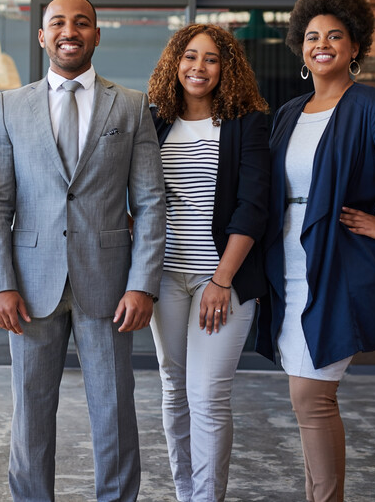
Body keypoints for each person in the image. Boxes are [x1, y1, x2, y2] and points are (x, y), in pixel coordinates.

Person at [257, 0, 375, 502]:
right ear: (300, 46)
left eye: (335, 35)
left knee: (312, 396)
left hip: (334, 264)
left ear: (355, 46)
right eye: (312, 36)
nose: (323, 44)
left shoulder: (369, 105)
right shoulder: (292, 112)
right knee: (304, 397)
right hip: (288, 263)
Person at [0, 0, 166, 502]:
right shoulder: (9, 105)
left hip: (109, 286)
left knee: (114, 410)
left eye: (81, 23)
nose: (70, 31)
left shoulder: (130, 105)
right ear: (42, 36)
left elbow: (151, 202)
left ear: (97, 35)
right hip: (29, 285)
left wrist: (142, 284)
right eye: (58, 23)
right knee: (30, 411)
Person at [147, 24, 270, 501]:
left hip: (223, 277)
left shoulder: (248, 122)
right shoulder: (154, 121)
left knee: (209, 395)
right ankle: (185, 493)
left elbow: (253, 205)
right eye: (190, 56)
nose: (199, 67)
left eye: (212, 59)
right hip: (166, 275)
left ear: (227, 68)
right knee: (174, 388)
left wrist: (222, 279)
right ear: (174, 63)